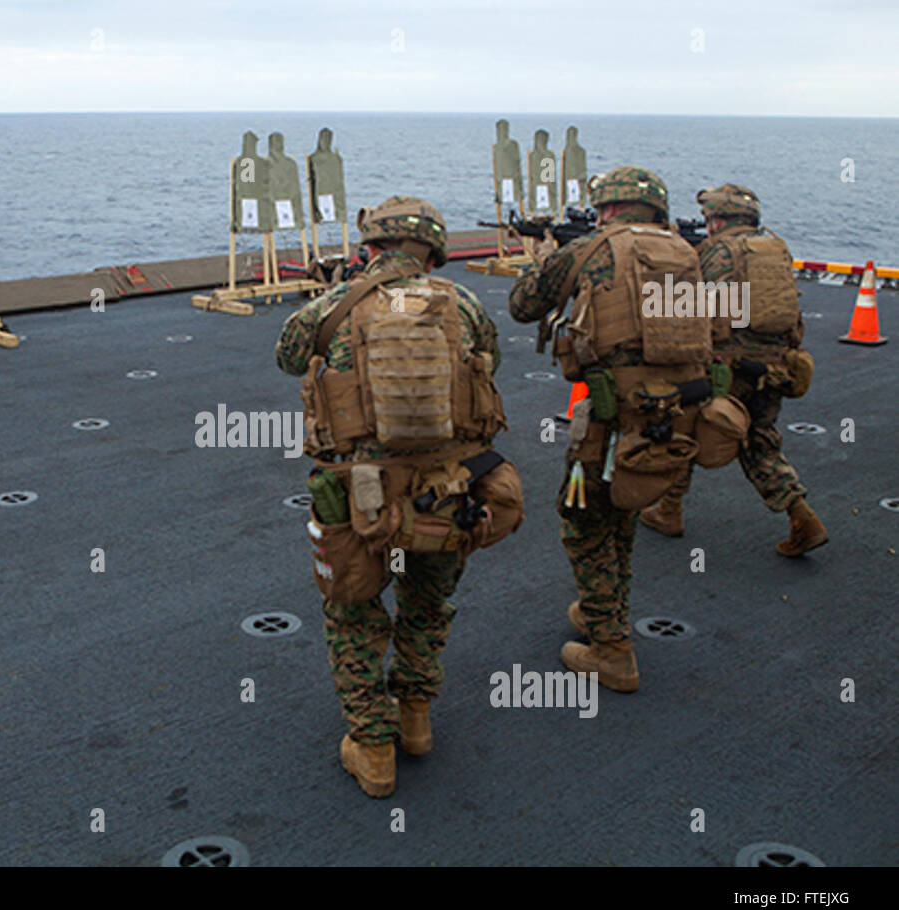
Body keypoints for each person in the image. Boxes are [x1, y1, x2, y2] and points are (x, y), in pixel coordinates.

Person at [276, 196, 519, 797]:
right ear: (433, 252)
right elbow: (491, 361)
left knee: (354, 611)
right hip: (449, 489)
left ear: (370, 248)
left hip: (360, 496)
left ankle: (374, 747)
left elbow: (286, 357)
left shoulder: (334, 306)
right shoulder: (462, 303)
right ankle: (415, 720)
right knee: (428, 602)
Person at [508, 166, 714, 693]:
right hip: (674, 414)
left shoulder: (590, 250)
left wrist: (551, 254)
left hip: (610, 415)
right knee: (623, 506)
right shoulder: (685, 254)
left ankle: (611, 650)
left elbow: (521, 306)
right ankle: (606, 611)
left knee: (583, 521)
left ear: (604, 209)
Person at [639, 184, 827, 557]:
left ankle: (669, 510)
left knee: (684, 430)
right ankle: (802, 516)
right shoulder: (775, 248)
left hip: (729, 368)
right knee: (759, 441)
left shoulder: (717, 252)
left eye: (710, 220)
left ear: (718, 219)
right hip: (774, 367)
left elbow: (687, 310)